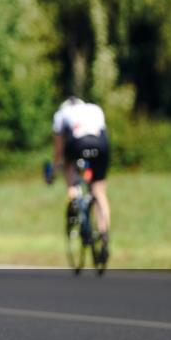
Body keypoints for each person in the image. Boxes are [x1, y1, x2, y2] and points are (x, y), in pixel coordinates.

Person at [52, 96, 111, 262]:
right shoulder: (95, 108)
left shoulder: (61, 114)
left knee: (68, 168)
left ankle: (73, 195)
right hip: (101, 144)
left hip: (77, 143)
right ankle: (104, 233)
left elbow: (58, 150)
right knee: (99, 191)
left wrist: (54, 171)